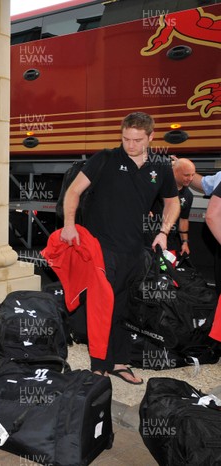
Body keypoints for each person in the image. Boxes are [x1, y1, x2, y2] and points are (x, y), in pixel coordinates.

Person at [61, 112, 179, 385]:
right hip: (102, 248)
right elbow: (73, 191)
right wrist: (69, 225)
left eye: (137, 140)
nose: (130, 145)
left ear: (151, 137)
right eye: (126, 138)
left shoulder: (160, 167)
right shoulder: (105, 159)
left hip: (136, 250)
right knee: (101, 306)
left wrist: (163, 232)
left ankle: (120, 362)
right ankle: (99, 365)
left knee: (125, 307)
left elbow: (173, 203)